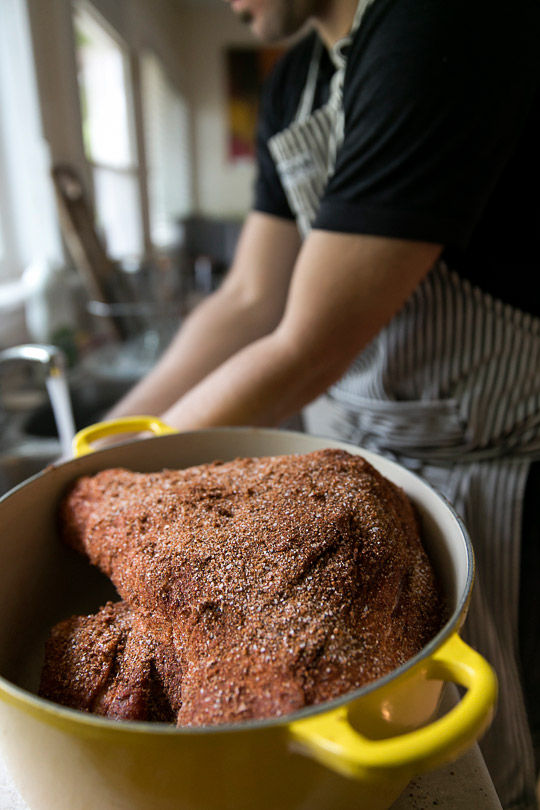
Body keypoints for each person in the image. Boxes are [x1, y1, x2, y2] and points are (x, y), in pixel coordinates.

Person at [106, 1, 540, 807]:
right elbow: (246, 299)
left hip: (480, 473)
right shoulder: (296, 81)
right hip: (341, 475)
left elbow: (307, 343)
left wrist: (122, 491)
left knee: (485, 743)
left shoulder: (442, 27)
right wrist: (96, 454)